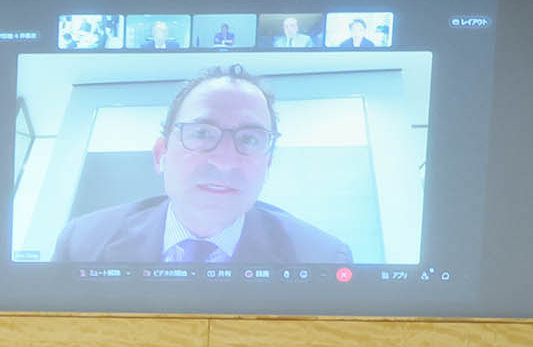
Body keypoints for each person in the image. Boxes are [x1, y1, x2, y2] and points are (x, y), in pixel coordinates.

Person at [53, 66, 353, 266]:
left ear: (268, 164)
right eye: (201, 133)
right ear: (162, 154)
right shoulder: (82, 243)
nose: (224, 161)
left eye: (249, 139)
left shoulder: (323, 259)